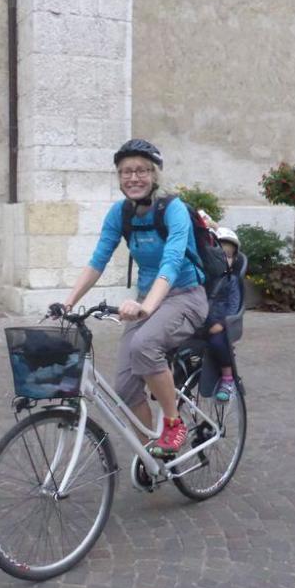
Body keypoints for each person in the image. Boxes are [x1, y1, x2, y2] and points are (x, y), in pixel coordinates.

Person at [61, 139, 209, 457]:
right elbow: (98, 260)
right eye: (125, 171)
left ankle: (173, 423)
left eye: (142, 170)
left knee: (145, 345)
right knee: (125, 388)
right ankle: (151, 456)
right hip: (148, 299)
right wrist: (68, 302)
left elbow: (171, 262)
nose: (133, 177)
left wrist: (146, 308)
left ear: (154, 175)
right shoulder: (120, 213)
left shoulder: (174, 210)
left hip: (186, 296)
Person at [206, 227, 242, 401]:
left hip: (222, 324)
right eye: (219, 255)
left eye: (228, 256)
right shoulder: (204, 278)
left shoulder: (232, 281)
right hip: (202, 321)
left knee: (217, 342)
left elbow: (234, 305)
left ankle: (228, 379)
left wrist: (222, 323)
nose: (224, 259)